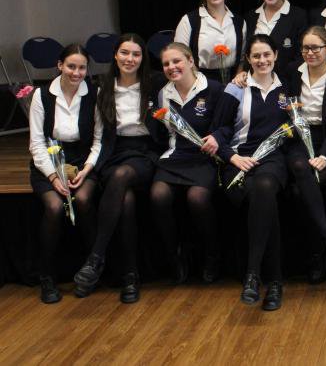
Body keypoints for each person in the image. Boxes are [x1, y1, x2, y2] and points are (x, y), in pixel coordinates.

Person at [73, 34, 158, 304]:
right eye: (124, 52)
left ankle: (96, 256)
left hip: (146, 152)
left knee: (123, 177)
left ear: (143, 59)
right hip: (114, 153)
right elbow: (99, 137)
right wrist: (88, 167)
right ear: (115, 55)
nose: (129, 59)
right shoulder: (103, 88)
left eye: (136, 54)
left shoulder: (155, 84)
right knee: (127, 200)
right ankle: (131, 276)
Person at [213, 34, 289, 311]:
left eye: (267, 54)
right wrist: (232, 157)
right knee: (264, 200)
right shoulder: (236, 89)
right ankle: (275, 282)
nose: (262, 60)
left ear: (276, 55)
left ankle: (252, 274)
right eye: (256, 56)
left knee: (265, 186)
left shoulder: (287, 86)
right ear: (248, 59)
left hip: (273, 159)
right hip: (239, 161)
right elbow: (219, 132)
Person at [28, 44, 102, 303]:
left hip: (83, 162)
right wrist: (52, 176)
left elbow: (98, 141)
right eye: (71, 66)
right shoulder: (41, 95)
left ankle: (92, 270)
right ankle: (46, 276)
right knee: (54, 208)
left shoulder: (95, 94)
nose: (77, 72)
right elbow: (37, 143)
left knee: (82, 201)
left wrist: (87, 169)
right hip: (47, 163)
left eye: (82, 67)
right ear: (60, 65)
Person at [150, 43, 223, 284]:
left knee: (197, 198)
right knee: (158, 195)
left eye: (177, 61)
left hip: (205, 157)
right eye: (166, 64)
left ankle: (212, 255)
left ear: (191, 61)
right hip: (175, 157)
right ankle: (175, 255)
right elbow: (164, 133)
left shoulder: (213, 89)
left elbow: (227, 126)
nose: (172, 67)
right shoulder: (163, 93)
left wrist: (217, 138)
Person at [283, 26, 326, 283]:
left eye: (315, 48)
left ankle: (316, 253)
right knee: (300, 168)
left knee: (302, 190)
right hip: (298, 139)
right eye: (305, 48)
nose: (310, 53)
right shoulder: (292, 72)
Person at [174, 0, 246, 82]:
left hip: (234, 82)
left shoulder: (239, 22)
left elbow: (243, 58)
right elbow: (179, 55)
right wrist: (197, 81)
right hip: (199, 81)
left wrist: (237, 81)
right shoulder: (189, 21)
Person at [244, 0, 308, 74]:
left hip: (287, 82)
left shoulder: (299, 16)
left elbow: (302, 54)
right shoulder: (250, 17)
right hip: (254, 80)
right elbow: (247, 52)